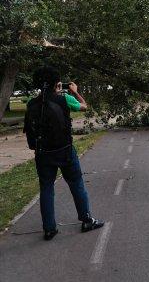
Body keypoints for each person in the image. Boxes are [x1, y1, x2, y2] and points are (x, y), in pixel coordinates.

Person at [24, 66, 104, 240]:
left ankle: (49, 229)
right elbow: (84, 107)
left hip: (43, 153)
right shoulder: (64, 99)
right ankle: (86, 219)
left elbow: (30, 134)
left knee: (46, 188)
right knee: (76, 184)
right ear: (56, 83)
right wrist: (75, 92)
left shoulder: (31, 104)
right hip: (65, 151)